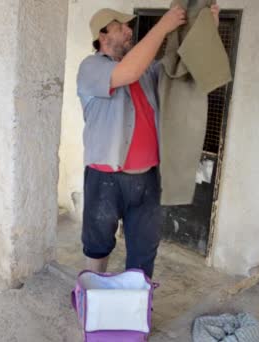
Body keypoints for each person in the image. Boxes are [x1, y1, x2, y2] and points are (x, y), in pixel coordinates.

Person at [76, 4, 219, 278]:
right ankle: (93, 297)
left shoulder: (146, 69)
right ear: (103, 38)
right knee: (98, 245)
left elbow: (181, 67)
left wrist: (204, 30)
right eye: (121, 27)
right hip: (106, 177)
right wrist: (163, 26)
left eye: (129, 26)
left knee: (144, 251)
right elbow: (126, 73)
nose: (129, 31)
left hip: (147, 179)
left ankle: (137, 311)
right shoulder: (91, 67)